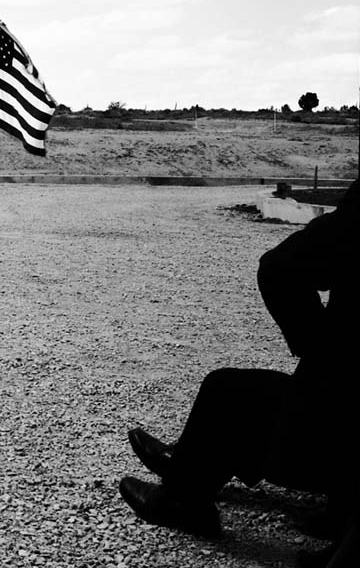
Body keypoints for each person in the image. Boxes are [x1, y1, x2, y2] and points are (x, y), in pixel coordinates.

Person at [119, 178, 360, 551]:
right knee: (268, 395)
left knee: (228, 391)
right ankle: (189, 463)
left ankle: (183, 495)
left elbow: (282, 266)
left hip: (346, 430)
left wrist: (321, 352)